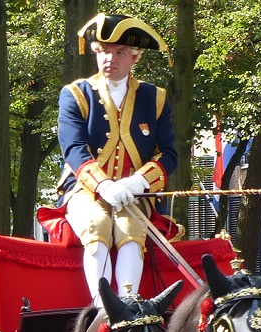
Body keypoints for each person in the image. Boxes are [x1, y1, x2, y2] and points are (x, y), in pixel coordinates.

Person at [57, 13, 176, 303]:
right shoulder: (75, 94)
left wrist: (137, 183)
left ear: (134, 57)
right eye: (104, 52)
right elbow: (73, 148)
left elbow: (169, 153)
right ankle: (101, 305)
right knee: (98, 224)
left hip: (134, 194)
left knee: (130, 227)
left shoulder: (155, 98)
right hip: (85, 189)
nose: (110, 59)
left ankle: (128, 303)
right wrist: (105, 186)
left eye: (119, 52)